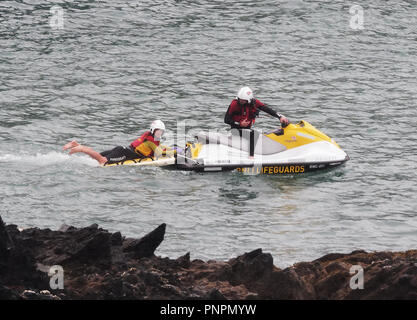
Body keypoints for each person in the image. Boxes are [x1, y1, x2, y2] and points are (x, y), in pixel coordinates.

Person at [63, 120, 172, 165]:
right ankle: (81, 148)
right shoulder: (151, 142)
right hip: (124, 153)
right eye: (158, 131)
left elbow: (159, 147)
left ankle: (76, 144)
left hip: (123, 149)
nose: (160, 134)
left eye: (161, 132)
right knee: (102, 161)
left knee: (95, 158)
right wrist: (178, 150)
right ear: (153, 131)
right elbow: (161, 152)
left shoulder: (148, 135)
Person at [224, 86, 289, 130]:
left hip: (247, 128)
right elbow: (226, 119)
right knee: (252, 135)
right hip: (235, 128)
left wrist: (280, 117)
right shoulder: (234, 104)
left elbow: (267, 109)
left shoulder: (254, 103)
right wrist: (239, 124)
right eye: (240, 99)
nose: (241, 101)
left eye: (243, 100)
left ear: (249, 100)